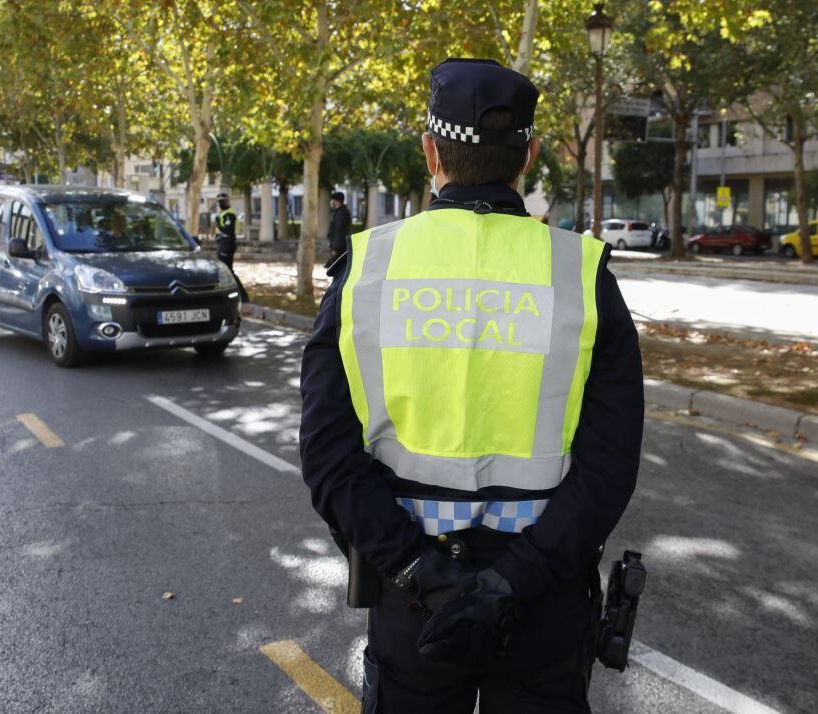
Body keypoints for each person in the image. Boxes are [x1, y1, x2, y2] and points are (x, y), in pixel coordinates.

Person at [299, 58, 643, 712]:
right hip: (544, 604)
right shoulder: (584, 274)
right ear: (529, 155)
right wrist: (509, 585)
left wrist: (424, 576)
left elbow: (328, 458)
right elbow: (608, 465)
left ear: (431, 151)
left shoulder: (367, 269)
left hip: (413, 603)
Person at [213, 192, 248, 302]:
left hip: (227, 246)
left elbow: (228, 232)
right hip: (223, 245)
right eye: (220, 201)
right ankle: (230, 294)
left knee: (228, 271)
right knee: (224, 272)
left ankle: (242, 296)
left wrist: (218, 225)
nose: (221, 203)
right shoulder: (224, 213)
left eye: (223, 201)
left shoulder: (229, 214)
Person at [326, 190, 351, 267]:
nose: (331, 202)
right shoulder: (339, 212)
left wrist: (335, 249)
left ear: (337, 201)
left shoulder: (341, 213)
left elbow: (339, 231)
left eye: (333, 200)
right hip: (338, 247)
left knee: (338, 269)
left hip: (340, 249)